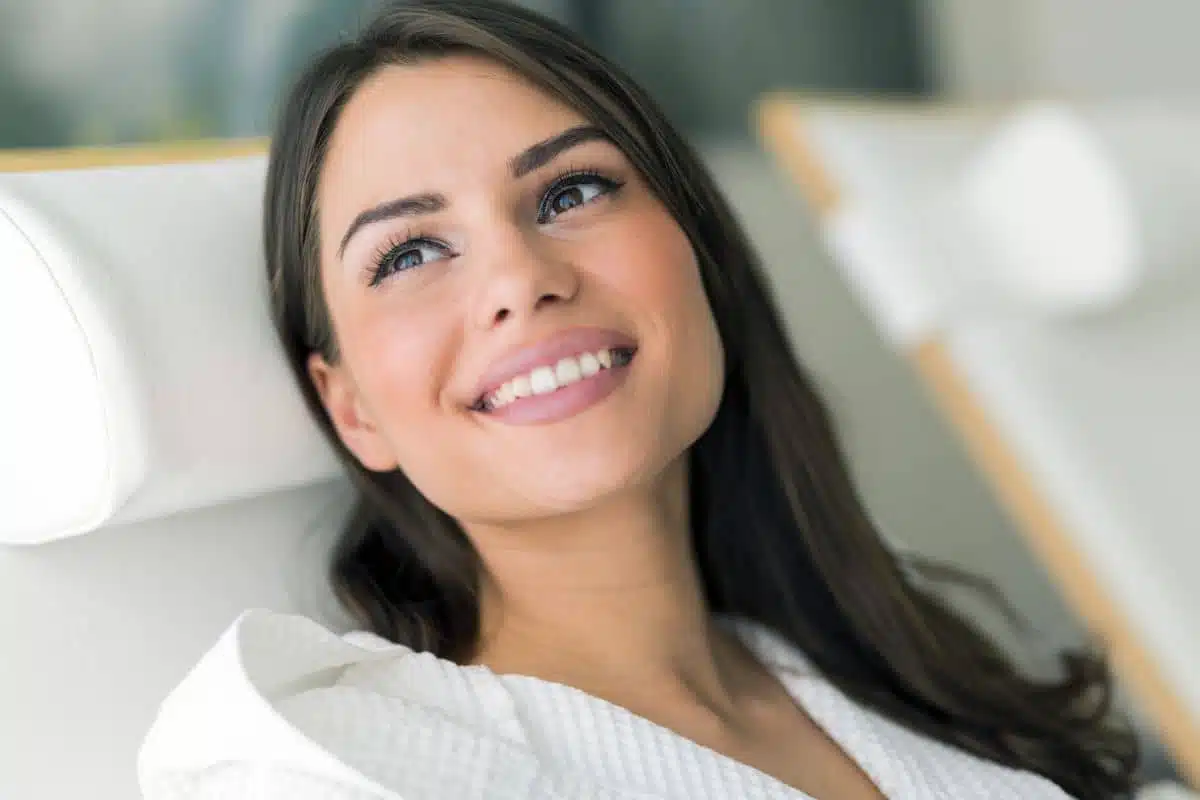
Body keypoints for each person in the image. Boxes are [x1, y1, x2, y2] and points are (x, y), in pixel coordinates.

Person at [138, 1, 1140, 797]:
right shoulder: (333, 764)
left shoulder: (909, 683)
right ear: (352, 408)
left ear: (695, 257)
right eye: (410, 251)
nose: (517, 277)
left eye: (570, 193)